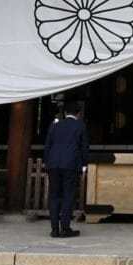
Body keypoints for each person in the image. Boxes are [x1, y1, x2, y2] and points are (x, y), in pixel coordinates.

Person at [43, 100, 89, 238]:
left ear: (65, 113)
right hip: (71, 165)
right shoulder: (81, 126)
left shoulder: (54, 126)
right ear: (78, 114)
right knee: (68, 196)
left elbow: (47, 147)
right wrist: (84, 165)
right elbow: (84, 148)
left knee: (55, 196)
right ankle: (65, 228)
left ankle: (54, 229)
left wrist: (47, 163)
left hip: (53, 164)